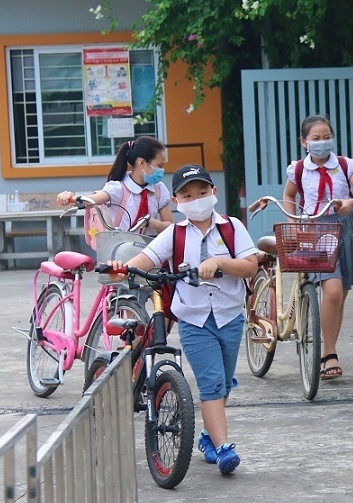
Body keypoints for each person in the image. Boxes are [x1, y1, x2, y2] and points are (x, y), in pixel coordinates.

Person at [109, 164, 259, 475]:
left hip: (230, 317)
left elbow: (250, 266)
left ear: (213, 193)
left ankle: (207, 436)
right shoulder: (174, 234)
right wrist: (122, 268)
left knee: (223, 382)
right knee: (211, 383)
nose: (196, 199)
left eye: (202, 192)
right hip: (194, 320)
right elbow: (146, 259)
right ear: (177, 201)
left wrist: (218, 263)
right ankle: (223, 448)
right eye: (188, 196)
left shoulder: (232, 227)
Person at [249, 114, 353, 380]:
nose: (322, 142)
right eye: (316, 138)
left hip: (345, 231)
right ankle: (328, 354)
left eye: (327, 137)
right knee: (332, 291)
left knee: (339, 295)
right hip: (314, 230)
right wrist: (293, 225)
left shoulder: (345, 165)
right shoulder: (298, 169)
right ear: (304, 142)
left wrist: (350, 203)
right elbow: (289, 194)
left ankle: (328, 350)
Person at [57, 136, 174, 235]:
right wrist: (69, 197)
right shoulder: (118, 188)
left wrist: (153, 223)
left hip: (151, 250)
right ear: (142, 163)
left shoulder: (159, 189)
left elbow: (169, 226)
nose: (161, 170)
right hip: (122, 249)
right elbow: (89, 200)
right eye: (159, 166)